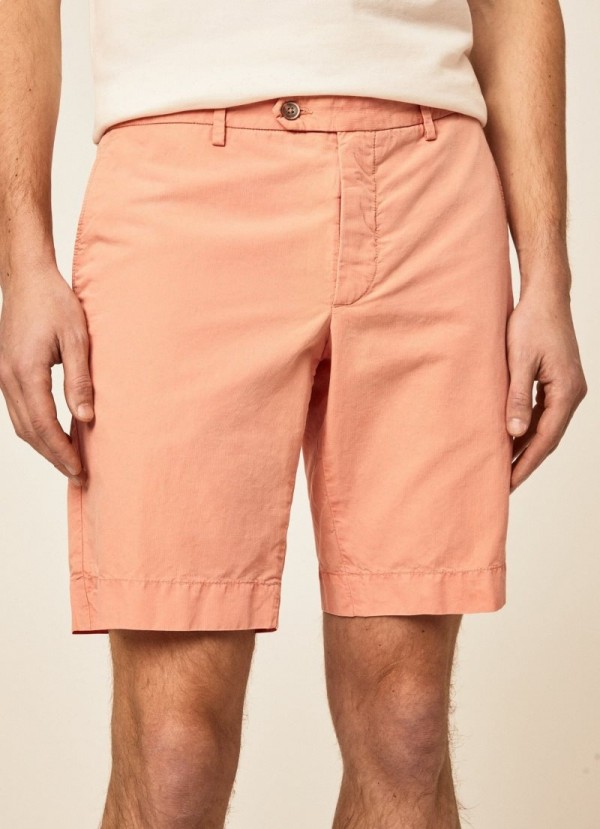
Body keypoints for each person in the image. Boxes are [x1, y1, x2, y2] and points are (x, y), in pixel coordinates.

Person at [0, 1, 588, 826]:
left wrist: (549, 276)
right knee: (174, 755)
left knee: (408, 726)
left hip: (429, 181)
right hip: (179, 187)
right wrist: (22, 259)